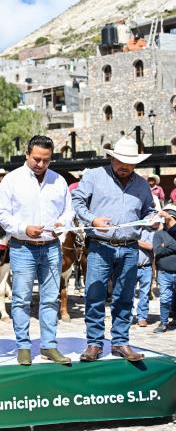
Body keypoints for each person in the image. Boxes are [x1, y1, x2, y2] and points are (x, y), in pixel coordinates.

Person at [72, 137, 156, 362]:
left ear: (136, 163)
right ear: (112, 157)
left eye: (129, 162)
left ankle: (120, 342)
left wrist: (152, 220)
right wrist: (93, 219)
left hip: (130, 248)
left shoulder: (142, 184)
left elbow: (149, 211)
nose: (124, 166)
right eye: (120, 161)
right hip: (100, 245)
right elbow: (77, 201)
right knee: (95, 294)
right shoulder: (94, 176)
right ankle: (94, 343)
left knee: (125, 297)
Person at [0, 135, 73, 366]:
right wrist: (23, 229)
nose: (40, 164)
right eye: (36, 159)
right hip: (22, 247)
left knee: (50, 298)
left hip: (51, 247)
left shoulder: (59, 181)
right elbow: (3, 214)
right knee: (21, 299)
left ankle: (49, 345)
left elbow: (68, 211)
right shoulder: (11, 180)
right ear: (27, 155)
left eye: (46, 160)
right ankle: (23, 346)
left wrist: (63, 224)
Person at [152, 204, 176, 333]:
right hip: (164, 272)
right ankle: (163, 322)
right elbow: (158, 250)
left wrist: (166, 246)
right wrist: (171, 246)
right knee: (165, 299)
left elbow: (163, 249)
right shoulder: (159, 234)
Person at [133, 228, 154, 328]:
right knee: (129, 294)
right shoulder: (131, 230)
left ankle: (142, 317)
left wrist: (133, 240)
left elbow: (150, 246)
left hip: (146, 267)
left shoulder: (150, 231)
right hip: (131, 268)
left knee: (144, 294)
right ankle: (127, 317)